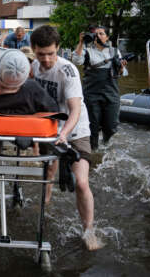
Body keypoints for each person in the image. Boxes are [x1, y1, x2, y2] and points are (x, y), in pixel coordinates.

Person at [30, 25, 103, 251]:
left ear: (58, 49)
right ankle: (46, 204)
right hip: (49, 128)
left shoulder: (68, 71)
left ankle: (89, 231)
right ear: (34, 50)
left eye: (51, 54)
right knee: (49, 171)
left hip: (76, 129)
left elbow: (75, 110)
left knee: (81, 182)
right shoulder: (34, 66)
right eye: (41, 54)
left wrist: (64, 134)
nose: (47, 59)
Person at [72, 26, 128, 150]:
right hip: (91, 94)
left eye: (101, 33)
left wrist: (122, 68)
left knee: (111, 126)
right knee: (93, 126)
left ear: (107, 37)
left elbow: (122, 73)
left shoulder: (114, 51)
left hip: (111, 93)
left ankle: (106, 144)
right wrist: (81, 42)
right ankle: (94, 151)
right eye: (95, 34)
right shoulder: (87, 51)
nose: (98, 36)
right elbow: (77, 61)